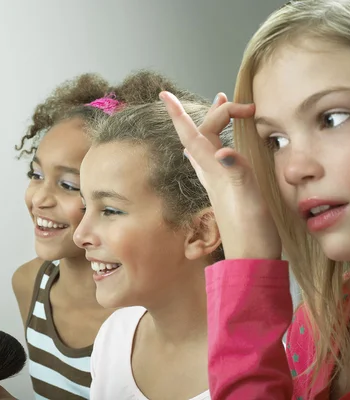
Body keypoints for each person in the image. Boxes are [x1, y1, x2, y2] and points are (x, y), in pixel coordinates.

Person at [162, 0, 350, 398]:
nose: (294, 170)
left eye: (332, 118)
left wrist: (247, 266)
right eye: (275, 141)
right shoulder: (316, 328)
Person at [0, 71, 193, 400]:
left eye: (69, 186)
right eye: (36, 174)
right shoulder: (29, 284)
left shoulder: (146, 316)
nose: (40, 198)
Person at [74, 81, 233, 400]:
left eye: (110, 210)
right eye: (84, 206)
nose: (79, 235)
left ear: (201, 232)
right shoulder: (115, 337)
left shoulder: (266, 368)